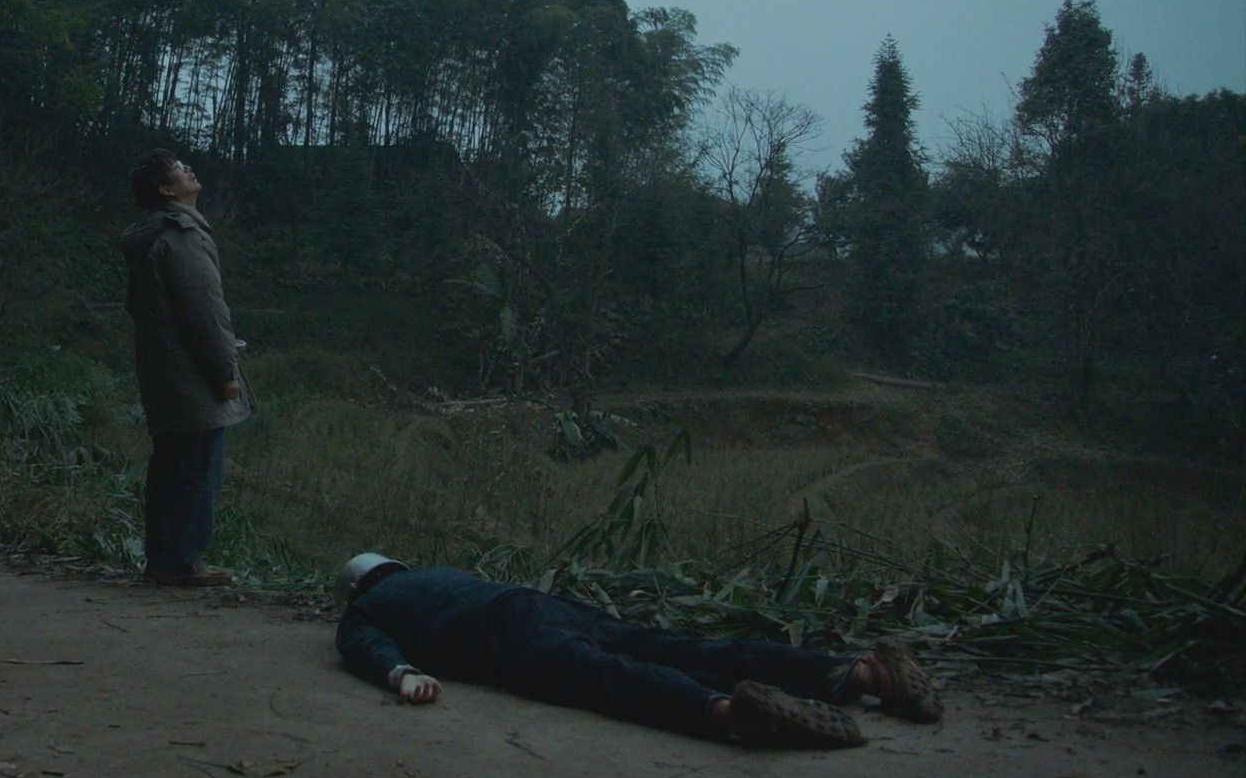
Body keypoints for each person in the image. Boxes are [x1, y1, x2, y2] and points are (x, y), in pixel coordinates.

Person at [333, 553, 941, 747]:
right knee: (675, 646)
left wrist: (402, 673)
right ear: (393, 564)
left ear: (359, 586)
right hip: (539, 604)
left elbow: (366, 645)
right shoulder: (432, 572)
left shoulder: (366, 607)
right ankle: (861, 674)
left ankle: (727, 712)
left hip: (501, 638)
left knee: (608, 675)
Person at [117, 150, 255, 586]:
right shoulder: (181, 237)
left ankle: (164, 559)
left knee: (171, 466)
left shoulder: (154, 236)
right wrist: (225, 372)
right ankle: (183, 563)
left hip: (165, 370)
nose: (189, 169)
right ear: (165, 189)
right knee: (196, 469)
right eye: (178, 169)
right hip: (190, 374)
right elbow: (205, 311)